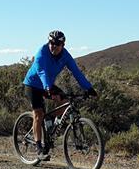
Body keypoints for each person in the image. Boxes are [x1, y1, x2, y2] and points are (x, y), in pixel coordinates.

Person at [23, 30, 97, 161]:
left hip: (47, 85)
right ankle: (39, 149)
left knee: (66, 101)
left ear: (63, 44)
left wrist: (89, 88)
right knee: (38, 113)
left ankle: (50, 121)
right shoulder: (42, 52)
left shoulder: (65, 56)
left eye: (57, 44)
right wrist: (48, 88)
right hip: (33, 85)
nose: (53, 46)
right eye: (51, 42)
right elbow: (41, 72)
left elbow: (76, 72)